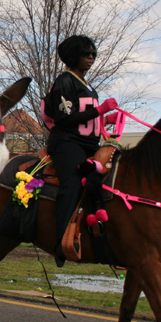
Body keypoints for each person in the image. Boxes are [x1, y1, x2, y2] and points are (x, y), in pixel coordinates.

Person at [43, 35, 117, 267]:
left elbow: (87, 120)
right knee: (73, 183)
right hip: (66, 143)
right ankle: (60, 243)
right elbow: (65, 119)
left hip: (88, 145)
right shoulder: (65, 81)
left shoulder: (88, 85)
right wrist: (100, 110)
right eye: (86, 54)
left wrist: (106, 119)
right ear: (73, 56)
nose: (91, 58)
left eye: (93, 54)